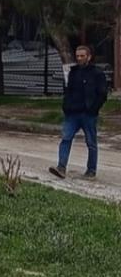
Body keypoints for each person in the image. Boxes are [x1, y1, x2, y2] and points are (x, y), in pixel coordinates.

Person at [50, 45, 109, 180]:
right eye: (77, 56)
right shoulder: (73, 72)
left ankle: (91, 170)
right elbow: (68, 91)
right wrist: (66, 106)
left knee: (91, 142)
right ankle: (61, 167)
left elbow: (102, 94)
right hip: (72, 113)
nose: (79, 58)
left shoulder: (97, 73)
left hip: (88, 114)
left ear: (89, 56)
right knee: (66, 138)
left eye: (82, 56)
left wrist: (93, 109)